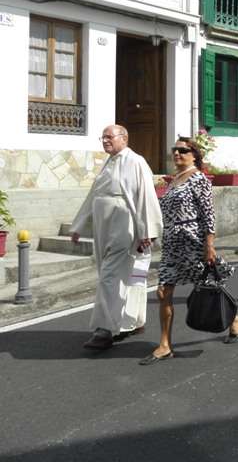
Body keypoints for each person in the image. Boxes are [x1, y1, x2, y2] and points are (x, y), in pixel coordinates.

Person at [140, 138, 237, 364]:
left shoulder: (199, 178)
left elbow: (208, 214)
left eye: (183, 150)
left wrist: (209, 244)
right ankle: (165, 345)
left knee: (209, 287)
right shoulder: (173, 180)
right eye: (175, 150)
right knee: (163, 292)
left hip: (193, 240)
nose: (177, 153)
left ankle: (233, 318)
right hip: (172, 243)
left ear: (194, 155)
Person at [70, 125, 162, 350]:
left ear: (124, 138)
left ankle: (105, 330)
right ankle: (132, 320)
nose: (105, 141)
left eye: (109, 137)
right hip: (104, 224)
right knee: (119, 275)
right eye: (103, 137)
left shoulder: (136, 161)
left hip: (125, 224)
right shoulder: (108, 163)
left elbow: (146, 196)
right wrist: (79, 225)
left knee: (110, 276)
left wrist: (147, 231)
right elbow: (94, 195)